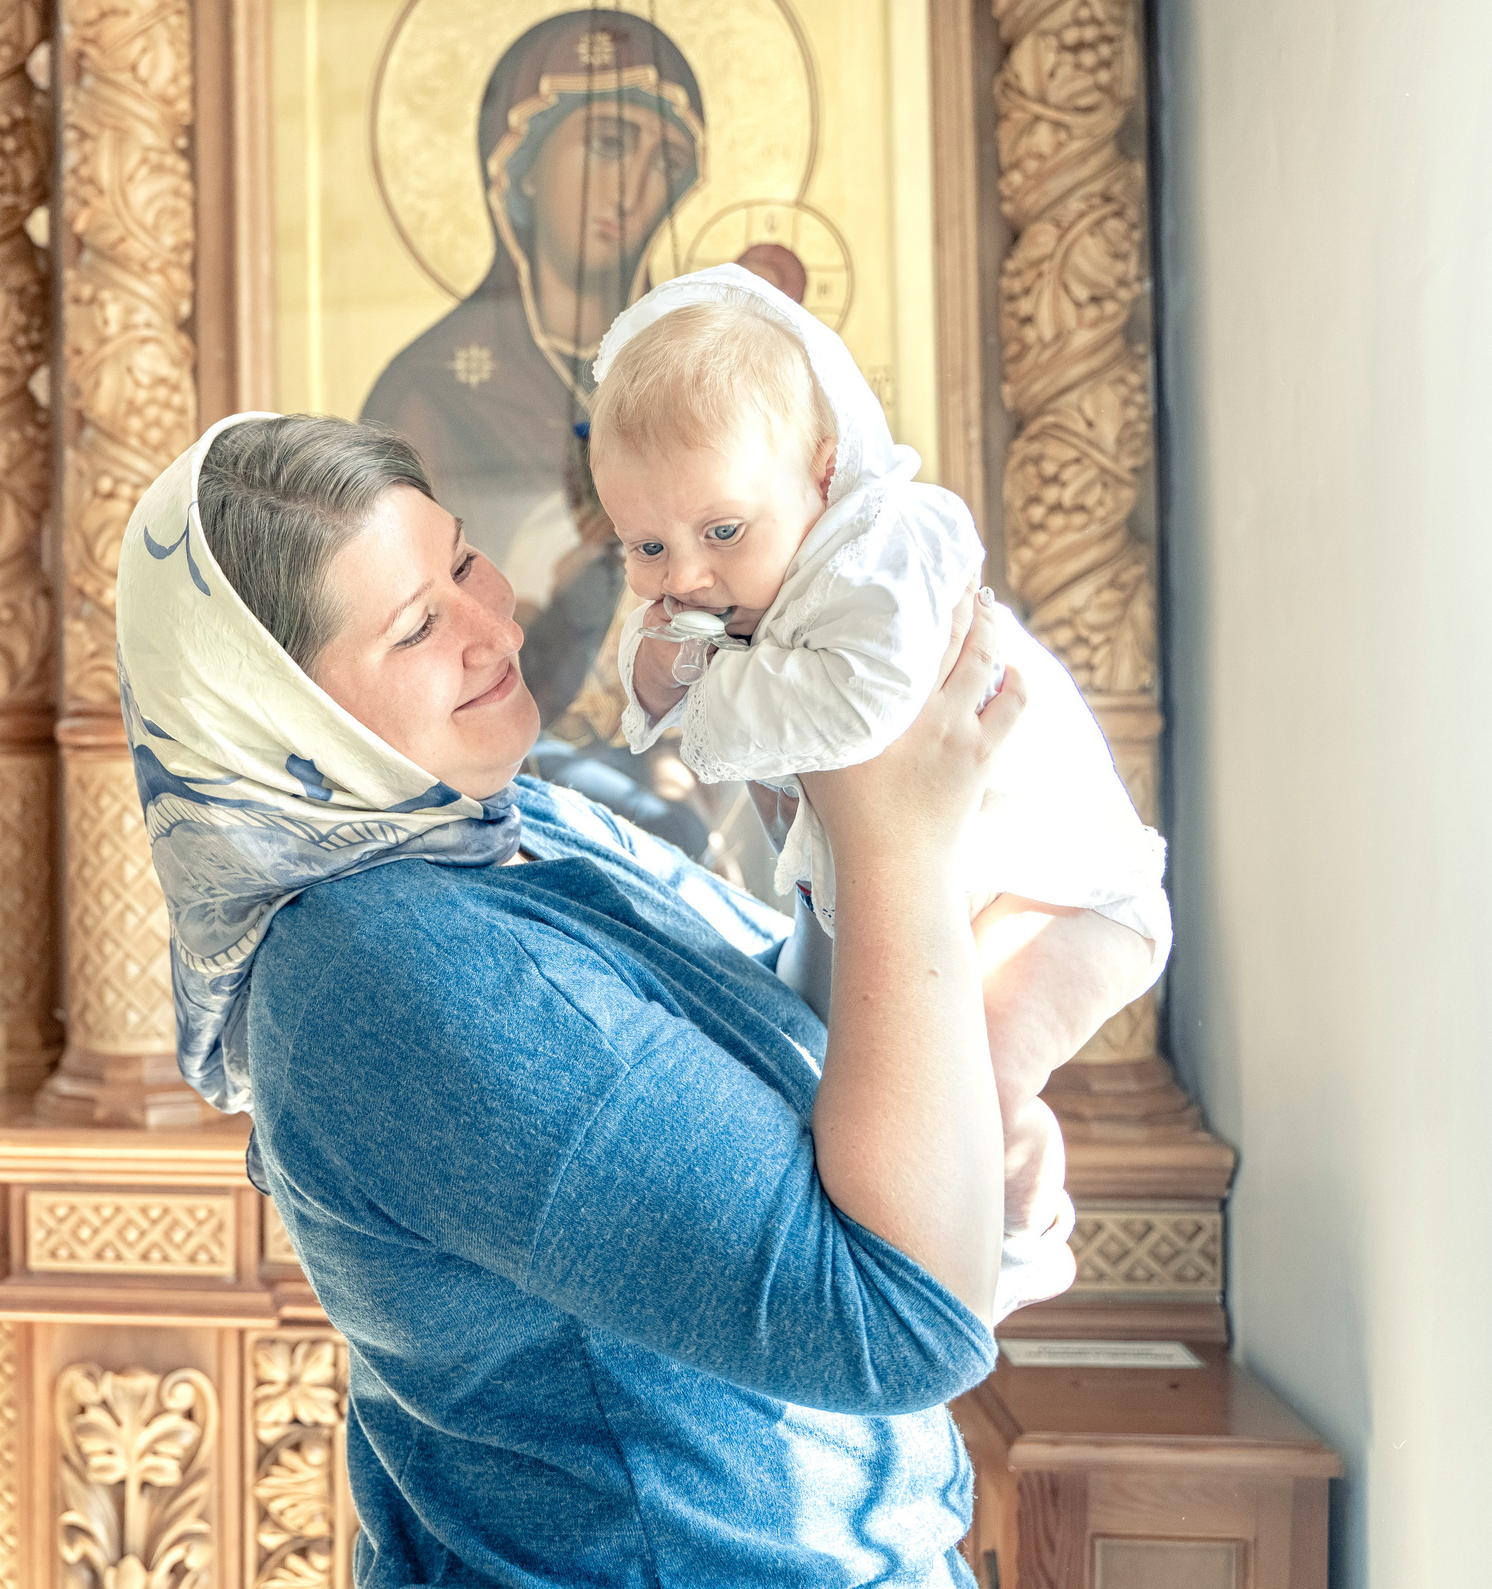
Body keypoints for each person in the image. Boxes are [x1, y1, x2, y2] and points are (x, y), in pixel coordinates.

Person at [119, 411, 1103, 1586]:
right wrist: (891, 833)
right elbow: (897, 1321)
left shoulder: (516, 822)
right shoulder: (387, 968)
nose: (495, 623)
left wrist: (967, 1068)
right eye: (418, 626)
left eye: (464, 561)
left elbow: (828, 1061)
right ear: (279, 717)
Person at [590, 264, 1168, 1224]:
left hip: (1060, 895)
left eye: (721, 528)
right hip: (905, 893)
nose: (683, 574)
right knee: (844, 1094)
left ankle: (1012, 1200)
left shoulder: (891, 544)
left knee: (968, 1092)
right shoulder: (748, 576)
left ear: (822, 472)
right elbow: (658, 670)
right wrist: (653, 671)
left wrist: (696, 681)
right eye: (645, 546)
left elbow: (860, 710)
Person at [361, 8, 707, 726]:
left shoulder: (700, 380)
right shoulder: (430, 391)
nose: (632, 190)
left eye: (664, 164)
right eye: (609, 144)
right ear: (518, 167)